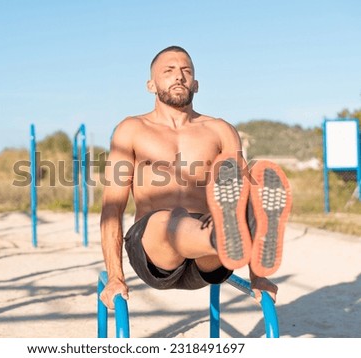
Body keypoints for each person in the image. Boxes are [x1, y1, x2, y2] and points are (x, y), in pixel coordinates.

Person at [99, 46, 292, 309]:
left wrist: (258, 275)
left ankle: (219, 236)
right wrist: (114, 278)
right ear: (150, 85)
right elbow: (112, 208)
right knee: (172, 217)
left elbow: (246, 199)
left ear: (196, 84)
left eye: (186, 71)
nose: (178, 76)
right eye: (168, 71)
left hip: (208, 262)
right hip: (154, 253)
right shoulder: (131, 129)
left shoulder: (220, 130)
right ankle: (219, 235)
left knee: (238, 203)